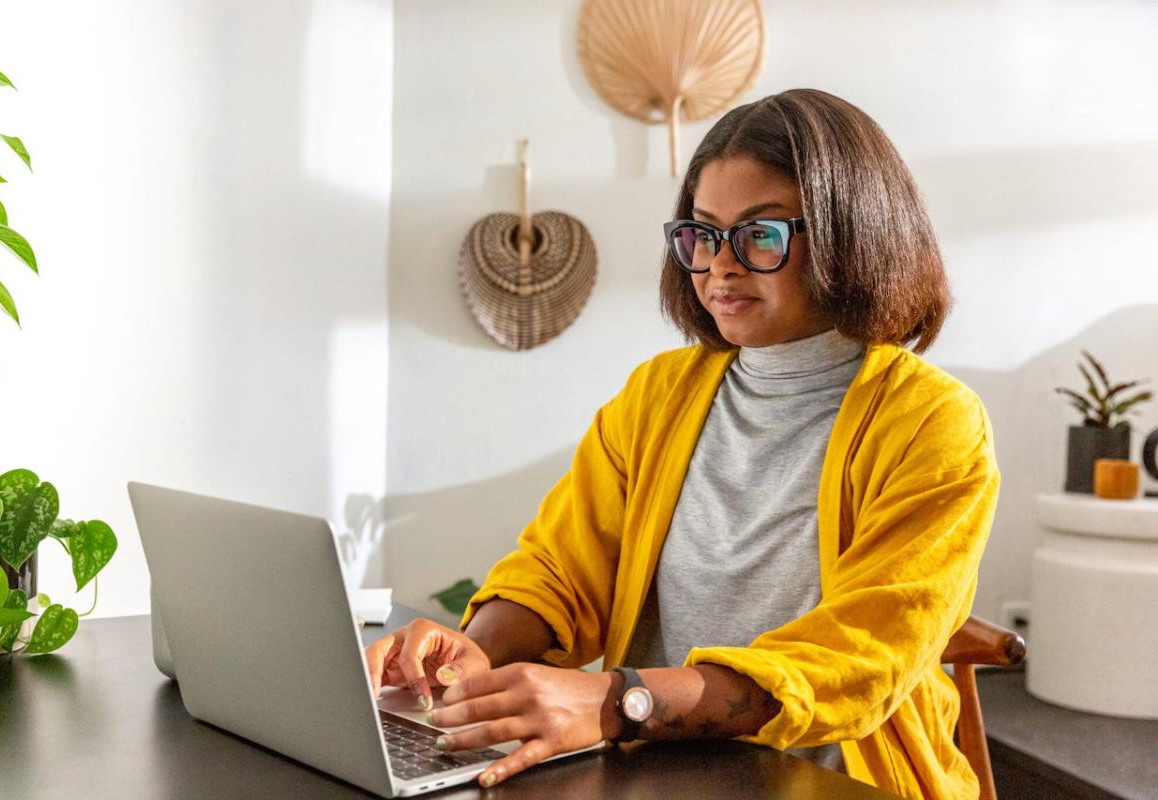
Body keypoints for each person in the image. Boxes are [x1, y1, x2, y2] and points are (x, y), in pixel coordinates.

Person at [366, 88, 999, 800]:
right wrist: (474, 649)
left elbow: (856, 659)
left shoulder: (933, 423)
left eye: (761, 234)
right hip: (657, 776)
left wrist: (616, 701)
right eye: (703, 233)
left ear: (852, 235)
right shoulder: (657, 395)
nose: (718, 267)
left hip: (833, 780)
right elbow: (560, 570)